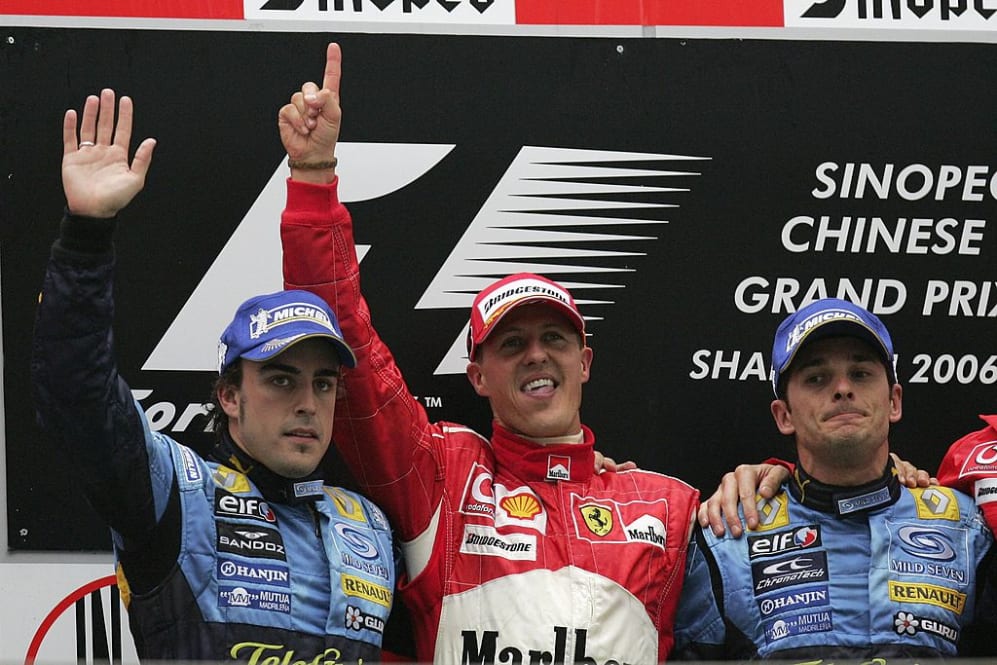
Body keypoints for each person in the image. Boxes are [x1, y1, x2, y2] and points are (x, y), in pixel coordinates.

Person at [277, 44, 701, 664]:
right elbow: (345, 344)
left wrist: (775, 475)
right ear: (477, 374)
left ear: (584, 362)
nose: (536, 356)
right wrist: (314, 183)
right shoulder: (444, 476)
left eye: (554, 339)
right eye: (512, 344)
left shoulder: (668, 505)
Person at [31, 89, 395, 662]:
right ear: (229, 395)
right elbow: (76, 394)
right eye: (280, 379)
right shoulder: (176, 491)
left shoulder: (370, 527)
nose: (307, 402)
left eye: (323, 383)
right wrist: (85, 235)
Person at [672, 298, 994, 660]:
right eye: (817, 378)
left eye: (860, 373)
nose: (842, 388)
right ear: (783, 416)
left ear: (894, 402)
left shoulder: (967, 530)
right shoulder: (727, 539)